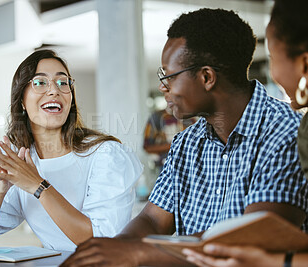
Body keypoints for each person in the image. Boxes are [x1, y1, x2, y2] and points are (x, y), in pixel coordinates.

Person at [61, 8, 308, 267]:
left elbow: (255, 240)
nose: (162, 87)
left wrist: (136, 254)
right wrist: (111, 249)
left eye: (168, 76)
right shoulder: (185, 143)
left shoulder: (286, 132)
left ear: (206, 77)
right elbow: (154, 220)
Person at [0, 49, 143, 251]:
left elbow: (103, 241)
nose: (54, 90)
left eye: (62, 82)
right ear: (21, 100)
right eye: (40, 83)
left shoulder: (105, 155)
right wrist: (0, 186)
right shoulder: (19, 158)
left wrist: (37, 185)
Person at [182, 1, 308, 267]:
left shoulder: (290, 129)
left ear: (305, 65)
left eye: (273, 57)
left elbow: (263, 236)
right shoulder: (187, 140)